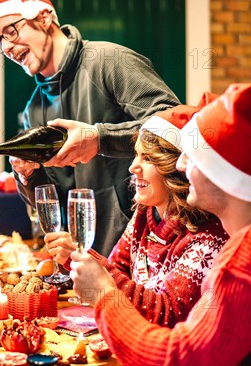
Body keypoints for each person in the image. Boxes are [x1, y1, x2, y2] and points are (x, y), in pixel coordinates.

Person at [70, 83, 251, 365]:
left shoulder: (249, 259)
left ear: (221, 174)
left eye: (192, 156)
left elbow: (180, 358)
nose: (179, 165)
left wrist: (105, 294)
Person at [0, 0, 180, 255]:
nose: (6, 47)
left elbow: (174, 127)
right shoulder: (34, 110)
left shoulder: (110, 62)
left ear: (43, 18)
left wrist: (99, 139)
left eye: (11, 31)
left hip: (144, 253)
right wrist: (29, 176)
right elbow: (48, 197)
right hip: (85, 262)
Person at [45, 96, 229, 327]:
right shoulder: (147, 211)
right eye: (136, 154)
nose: (133, 166)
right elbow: (119, 268)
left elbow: (168, 314)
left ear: (176, 169)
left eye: (148, 158)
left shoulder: (209, 236)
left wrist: (95, 270)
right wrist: (78, 259)